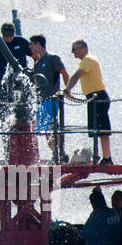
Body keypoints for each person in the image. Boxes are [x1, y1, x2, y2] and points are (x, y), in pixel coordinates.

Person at [65, 39, 113, 165]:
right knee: (96, 129)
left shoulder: (88, 59)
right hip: (93, 98)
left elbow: (77, 75)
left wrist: (67, 89)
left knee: (102, 129)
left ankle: (107, 158)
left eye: (74, 49)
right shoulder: (85, 61)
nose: (73, 53)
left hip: (98, 97)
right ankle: (98, 157)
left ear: (82, 48)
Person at [28, 34, 70, 162]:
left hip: (52, 99)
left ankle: (60, 152)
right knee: (45, 129)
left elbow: (64, 72)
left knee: (52, 126)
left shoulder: (53, 58)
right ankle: (54, 152)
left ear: (38, 44)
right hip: (42, 100)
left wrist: (66, 90)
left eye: (32, 44)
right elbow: (36, 81)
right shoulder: (37, 62)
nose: (29, 46)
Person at [0, 22, 31, 122]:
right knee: (4, 106)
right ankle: (6, 127)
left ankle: (24, 126)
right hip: (3, 81)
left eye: (10, 35)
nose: (8, 38)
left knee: (23, 107)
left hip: (20, 80)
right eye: (6, 35)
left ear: (14, 32)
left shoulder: (22, 42)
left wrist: (32, 73)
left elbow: (35, 56)